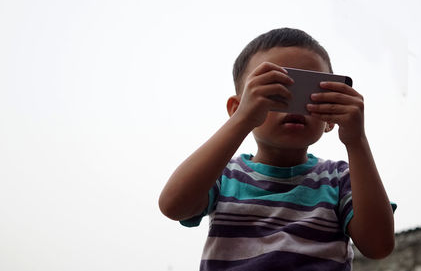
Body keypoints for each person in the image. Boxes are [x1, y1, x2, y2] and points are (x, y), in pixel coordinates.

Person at [158, 28, 396, 270]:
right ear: (237, 108)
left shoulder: (340, 179)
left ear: (330, 118)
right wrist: (242, 120)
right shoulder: (224, 176)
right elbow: (173, 206)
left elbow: (378, 246)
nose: (292, 107)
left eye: (309, 93)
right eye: (274, 92)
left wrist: (356, 141)